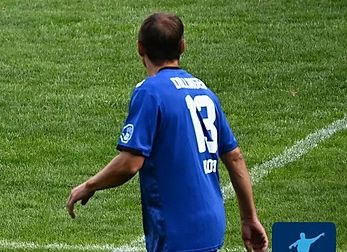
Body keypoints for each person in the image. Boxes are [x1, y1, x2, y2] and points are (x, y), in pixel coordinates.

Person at [66, 13, 268, 252]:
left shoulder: (150, 92)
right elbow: (234, 157)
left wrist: (89, 185)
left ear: (140, 48)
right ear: (182, 46)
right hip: (210, 226)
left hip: (176, 232)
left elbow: (130, 163)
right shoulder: (204, 92)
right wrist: (248, 218)